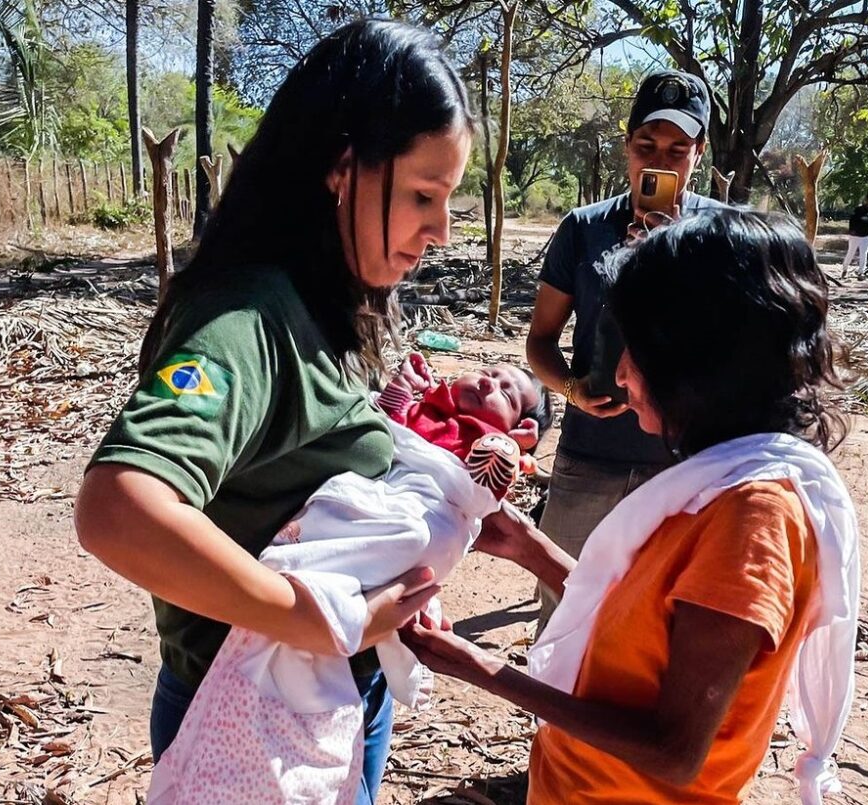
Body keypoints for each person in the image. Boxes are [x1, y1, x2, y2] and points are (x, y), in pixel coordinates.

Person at [74, 20, 473, 805]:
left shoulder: (329, 303)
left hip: (324, 703)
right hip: (248, 729)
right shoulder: (248, 318)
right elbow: (117, 506)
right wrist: (311, 616)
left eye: (448, 200)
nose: (441, 232)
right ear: (341, 168)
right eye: (424, 195)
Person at [403, 209, 861, 805]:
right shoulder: (714, 488)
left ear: (699, 362)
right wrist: (529, 547)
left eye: (636, 350)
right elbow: (643, 629)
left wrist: (481, 668)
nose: (619, 373)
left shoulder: (753, 521)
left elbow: (674, 751)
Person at [526, 69, 726, 633]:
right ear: (627, 146)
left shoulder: (722, 233)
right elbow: (539, 341)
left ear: (699, 153)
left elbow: (736, 348)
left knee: (661, 619)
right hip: (590, 455)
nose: (659, 161)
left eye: (678, 149)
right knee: (564, 612)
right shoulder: (584, 229)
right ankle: (552, 722)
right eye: (646, 146)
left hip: (685, 464)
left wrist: (668, 259)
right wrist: (572, 392)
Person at [377, 353, 553, 463]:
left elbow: (489, 478)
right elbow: (382, 422)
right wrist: (405, 383)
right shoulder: (429, 408)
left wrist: (513, 445)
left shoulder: (485, 445)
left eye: (507, 395)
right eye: (487, 373)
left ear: (518, 427)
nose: (488, 383)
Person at [841, 191, 868, 278]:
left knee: (864, 254)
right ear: (866, 199)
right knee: (851, 252)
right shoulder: (859, 209)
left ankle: (861, 271)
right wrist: (852, 231)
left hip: (866, 236)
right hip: (855, 236)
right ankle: (845, 269)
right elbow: (852, 221)